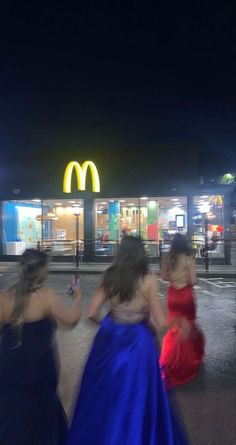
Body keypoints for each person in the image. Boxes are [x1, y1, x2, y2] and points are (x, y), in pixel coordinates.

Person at [67, 236, 189, 445]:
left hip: (110, 339)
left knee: (105, 393)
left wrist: (107, 325)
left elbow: (91, 313)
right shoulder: (148, 280)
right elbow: (160, 323)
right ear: (141, 254)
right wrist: (178, 320)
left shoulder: (109, 276)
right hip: (139, 342)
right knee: (139, 393)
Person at [0, 249, 81, 445]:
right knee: (42, 411)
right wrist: (77, 297)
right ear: (42, 271)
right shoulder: (46, 297)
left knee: (11, 409)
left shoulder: (3, 298)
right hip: (40, 367)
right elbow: (70, 321)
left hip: (10, 366)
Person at [160, 233, 205, 388]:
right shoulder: (188, 258)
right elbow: (193, 280)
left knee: (174, 328)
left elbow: (164, 276)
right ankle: (187, 360)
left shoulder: (169, 257)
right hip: (186, 295)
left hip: (173, 294)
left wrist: (174, 278)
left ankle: (169, 360)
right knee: (189, 325)